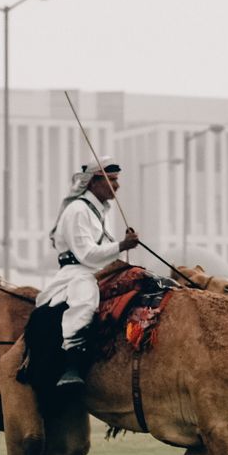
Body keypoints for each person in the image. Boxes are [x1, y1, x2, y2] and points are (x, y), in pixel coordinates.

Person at [35, 159, 138, 387]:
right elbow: (87, 255)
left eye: (117, 180)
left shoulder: (102, 212)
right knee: (85, 297)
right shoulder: (77, 210)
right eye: (112, 181)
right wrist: (121, 245)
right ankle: (71, 364)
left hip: (101, 271)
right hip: (78, 273)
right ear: (93, 182)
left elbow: (103, 252)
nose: (117, 186)